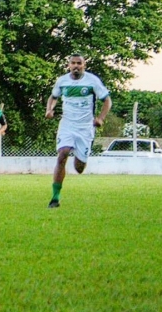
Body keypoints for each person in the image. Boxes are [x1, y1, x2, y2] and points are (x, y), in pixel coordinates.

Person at [45, 54, 111, 208]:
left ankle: (80, 156)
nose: (76, 66)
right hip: (67, 125)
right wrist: (49, 109)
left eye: (79, 63)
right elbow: (53, 97)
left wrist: (100, 118)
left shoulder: (92, 81)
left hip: (85, 127)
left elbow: (107, 101)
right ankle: (55, 198)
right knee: (62, 154)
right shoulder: (62, 81)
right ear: (69, 65)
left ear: (84, 65)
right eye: (73, 63)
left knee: (79, 168)